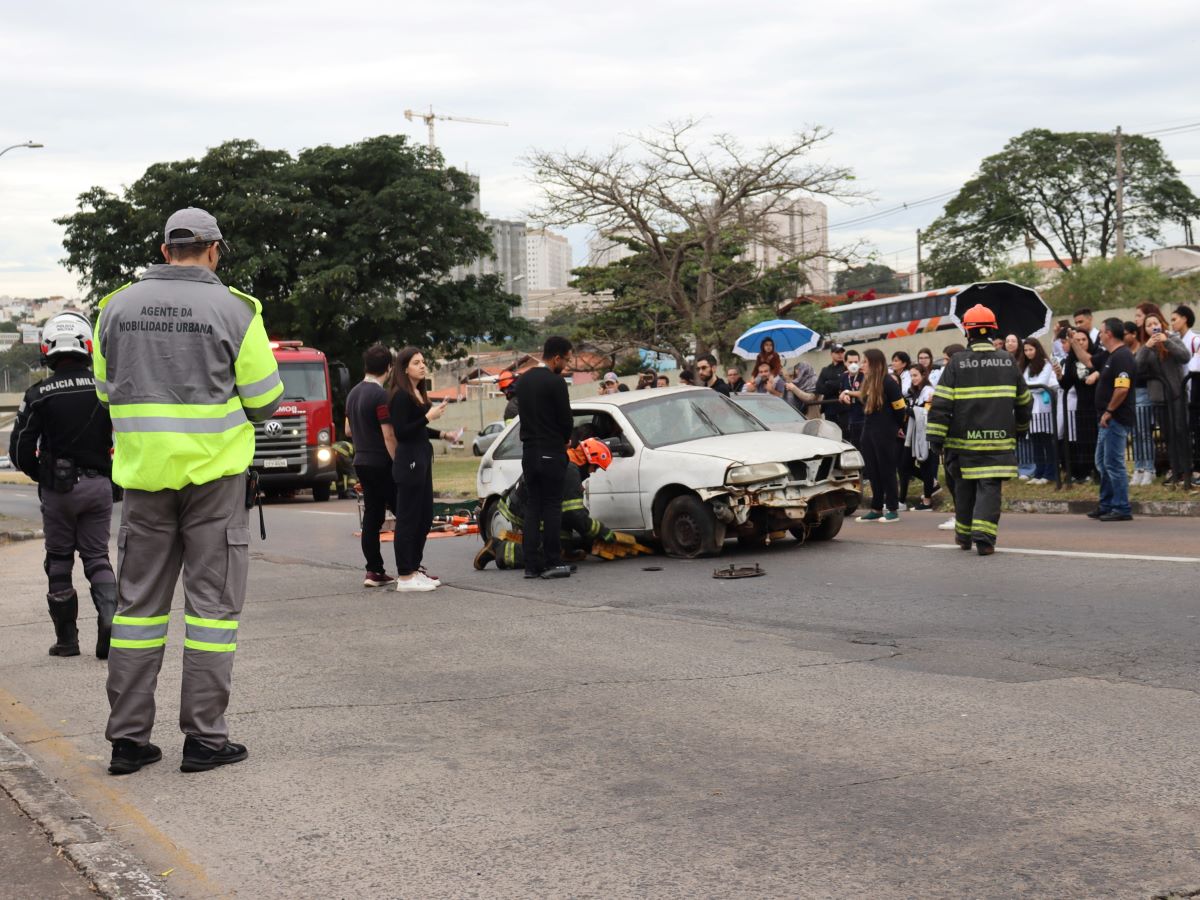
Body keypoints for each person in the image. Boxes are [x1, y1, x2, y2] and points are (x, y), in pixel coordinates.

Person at [94, 207, 283, 775]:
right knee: (211, 613)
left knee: (137, 612)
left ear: (163, 248)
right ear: (213, 250)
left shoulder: (114, 307)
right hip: (214, 484)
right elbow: (267, 399)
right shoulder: (237, 310)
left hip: (144, 482)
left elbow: (106, 392)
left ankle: (128, 742)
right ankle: (204, 739)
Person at [9, 311, 117, 660]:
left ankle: (67, 641)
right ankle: (109, 617)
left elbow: (20, 450)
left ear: (48, 347)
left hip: (59, 490)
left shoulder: (38, 393)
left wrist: (43, 477)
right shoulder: (105, 389)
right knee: (97, 556)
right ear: (87, 345)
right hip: (100, 486)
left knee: (58, 561)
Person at [927, 304, 1032, 555]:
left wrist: (936, 438)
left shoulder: (956, 364)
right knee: (989, 487)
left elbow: (941, 403)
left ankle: (963, 536)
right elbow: (1024, 401)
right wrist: (1020, 428)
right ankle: (984, 539)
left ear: (967, 331)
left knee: (964, 489)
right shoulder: (1008, 360)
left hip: (963, 445)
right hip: (998, 443)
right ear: (993, 330)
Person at [475, 437, 616, 570]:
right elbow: (574, 514)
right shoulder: (570, 470)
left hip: (527, 505)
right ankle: (497, 548)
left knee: (559, 534)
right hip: (524, 510)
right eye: (595, 467)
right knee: (545, 556)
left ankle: (563, 550)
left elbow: (569, 509)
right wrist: (601, 531)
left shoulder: (566, 460)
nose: (592, 472)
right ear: (588, 460)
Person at [386, 347, 458, 592]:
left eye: (423, 362)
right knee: (408, 518)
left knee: (425, 515)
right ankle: (405, 576)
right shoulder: (400, 396)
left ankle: (415, 569)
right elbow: (402, 431)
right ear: (404, 368)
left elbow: (418, 428)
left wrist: (442, 434)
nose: (422, 366)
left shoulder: (417, 393)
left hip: (423, 456)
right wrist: (429, 416)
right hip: (409, 459)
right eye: (416, 362)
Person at [516, 336, 575, 579]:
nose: (568, 366)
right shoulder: (556, 383)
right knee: (552, 506)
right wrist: (565, 438)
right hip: (552, 450)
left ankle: (531, 564)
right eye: (567, 360)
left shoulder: (523, 380)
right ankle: (553, 560)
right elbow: (566, 420)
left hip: (529, 452)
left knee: (533, 507)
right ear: (557, 357)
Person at [344, 344, 398, 587]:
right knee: (405, 512)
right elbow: (388, 435)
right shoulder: (380, 395)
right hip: (380, 461)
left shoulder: (353, 393)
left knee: (372, 516)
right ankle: (410, 567)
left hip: (361, 461)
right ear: (389, 368)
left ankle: (373, 571)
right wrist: (397, 462)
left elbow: (347, 429)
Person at [843, 348, 905, 522]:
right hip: (868, 430)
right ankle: (876, 508)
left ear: (874, 364)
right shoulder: (869, 382)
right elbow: (861, 396)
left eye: (864, 362)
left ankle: (892, 508)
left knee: (887, 470)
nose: (861, 365)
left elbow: (900, 408)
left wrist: (898, 426)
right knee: (872, 470)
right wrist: (846, 392)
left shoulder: (889, 382)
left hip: (885, 431)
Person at [1136, 313, 1191, 487]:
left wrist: (1166, 341)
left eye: (1155, 323)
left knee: (1181, 431)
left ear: (1161, 324)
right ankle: (1175, 470)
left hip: (1177, 395)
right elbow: (1136, 368)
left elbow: (1185, 356)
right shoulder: (1145, 347)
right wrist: (1147, 347)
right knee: (1168, 436)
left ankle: (1186, 470)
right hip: (1159, 397)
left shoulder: (1172, 338)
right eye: (1148, 325)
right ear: (1144, 329)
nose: (1152, 326)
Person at [1089, 318, 1136, 521]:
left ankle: (1122, 507)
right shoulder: (1110, 356)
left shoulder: (1122, 357)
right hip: (1106, 418)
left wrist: (1109, 410)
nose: (1099, 335)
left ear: (1108, 333)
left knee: (1113, 463)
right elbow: (1088, 360)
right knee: (1102, 462)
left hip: (1115, 418)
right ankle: (1106, 503)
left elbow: (1122, 388)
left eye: (1101, 331)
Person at [931, 342, 966, 533]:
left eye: (946, 359)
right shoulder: (951, 375)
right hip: (954, 434)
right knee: (954, 479)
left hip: (957, 436)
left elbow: (942, 406)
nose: (944, 363)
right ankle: (963, 515)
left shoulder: (955, 377)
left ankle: (963, 518)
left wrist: (936, 438)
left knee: (957, 479)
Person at [1017, 338, 1060, 485]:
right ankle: (1039, 472)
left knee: (1046, 440)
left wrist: (1029, 386)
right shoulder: (1026, 367)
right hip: (1031, 407)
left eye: (1031, 349)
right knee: (1035, 441)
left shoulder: (1046, 364)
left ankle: (1050, 473)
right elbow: (1022, 384)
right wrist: (1029, 386)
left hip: (1043, 406)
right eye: (1026, 350)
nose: (1028, 353)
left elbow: (1041, 385)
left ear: (1037, 349)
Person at [899, 365, 938, 511]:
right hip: (912, 433)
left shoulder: (929, 391)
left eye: (915, 375)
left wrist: (906, 408)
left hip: (924, 434)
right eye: (911, 376)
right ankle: (933, 483)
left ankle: (927, 501)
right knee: (905, 465)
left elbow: (925, 412)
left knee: (925, 465)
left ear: (923, 375)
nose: (913, 379)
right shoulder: (913, 391)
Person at [815, 344, 848, 429]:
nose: (840, 354)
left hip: (844, 407)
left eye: (842, 352)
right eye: (837, 352)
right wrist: (836, 385)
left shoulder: (847, 367)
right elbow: (819, 388)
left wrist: (829, 383)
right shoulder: (826, 369)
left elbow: (845, 384)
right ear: (831, 354)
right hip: (829, 408)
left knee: (845, 433)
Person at [839, 350, 866, 449]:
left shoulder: (864, 375)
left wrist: (847, 392)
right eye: (850, 362)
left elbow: (863, 393)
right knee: (855, 445)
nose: (853, 364)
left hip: (864, 416)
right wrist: (843, 396)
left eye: (856, 362)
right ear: (845, 363)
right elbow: (840, 393)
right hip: (851, 417)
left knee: (865, 446)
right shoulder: (844, 376)